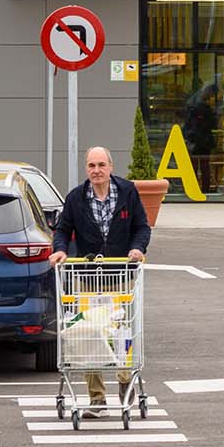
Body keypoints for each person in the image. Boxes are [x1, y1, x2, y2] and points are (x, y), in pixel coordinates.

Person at [49, 146, 150, 416]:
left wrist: (138, 248)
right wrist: (59, 250)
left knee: (122, 333)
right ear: (86, 169)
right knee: (90, 337)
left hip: (121, 276)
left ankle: (124, 381)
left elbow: (142, 226)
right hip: (88, 278)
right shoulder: (75, 198)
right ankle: (97, 398)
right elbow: (62, 230)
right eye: (92, 165)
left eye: (101, 165)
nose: (97, 170)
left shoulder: (127, 192)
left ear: (111, 167)